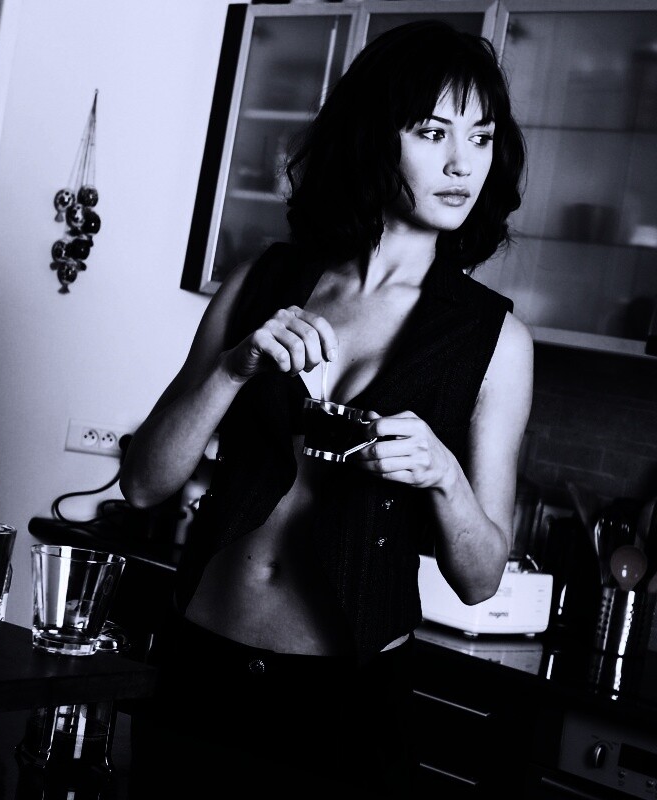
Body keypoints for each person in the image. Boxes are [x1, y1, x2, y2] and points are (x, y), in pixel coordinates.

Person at [119, 19, 532, 798]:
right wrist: (234, 370)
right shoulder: (264, 280)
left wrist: (443, 476)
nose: (461, 163)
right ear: (375, 139)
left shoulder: (496, 340)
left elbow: (480, 579)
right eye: (432, 132)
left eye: (480, 137)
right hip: (199, 666)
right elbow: (143, 484)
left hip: (344, 702)